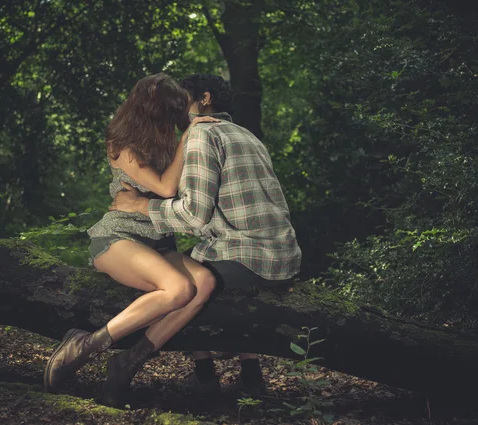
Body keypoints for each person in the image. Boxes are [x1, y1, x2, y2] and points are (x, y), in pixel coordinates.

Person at [110, 73, 302, 396]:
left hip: (248, 256)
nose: (174, 107)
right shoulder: (247, 136)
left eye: (182, 99)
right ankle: (252, 377)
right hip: (284, 257)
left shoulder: (201, 136)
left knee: (187, 285)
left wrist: (142, 205)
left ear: (204, 99)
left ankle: (190, 373)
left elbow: (194, 214)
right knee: (199, 263)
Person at [43, 73, 221, 406]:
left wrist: (193, 135)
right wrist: (190, 136)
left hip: (159, 242)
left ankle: (126, 362)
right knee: (180, 289)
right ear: (149, 110)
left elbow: (184, 194)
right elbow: (168, 189)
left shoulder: (169, 142)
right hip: (118, 237)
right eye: (169, 112)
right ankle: (86, 346)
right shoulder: (122, 143)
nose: (175, 120)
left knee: (205, 282)